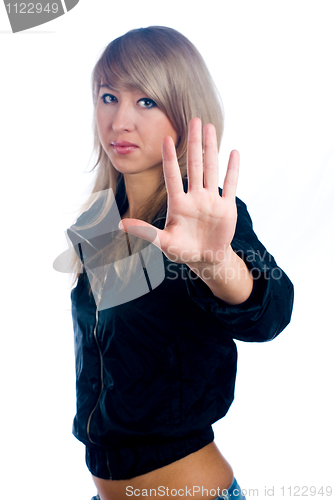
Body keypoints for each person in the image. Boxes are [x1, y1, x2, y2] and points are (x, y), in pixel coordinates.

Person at [65, 26, 294, 500]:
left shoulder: (202, 213)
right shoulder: (100, 221)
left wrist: (214, 262)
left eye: (146, 101)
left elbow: (269, 312)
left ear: (184, 111)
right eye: (108, 97)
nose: (119, 121)